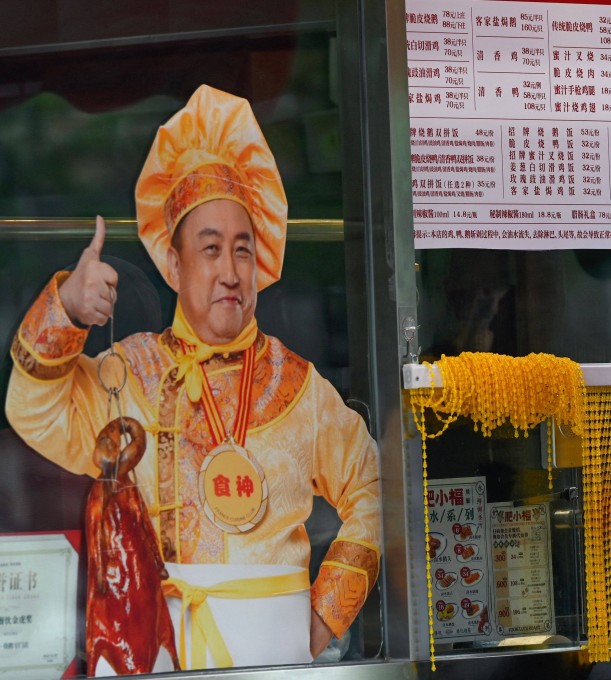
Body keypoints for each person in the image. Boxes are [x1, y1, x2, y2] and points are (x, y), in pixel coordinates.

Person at [5, 84, 380, 672]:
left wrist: (325, 611)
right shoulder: (129, 373)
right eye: (210, 249)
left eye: (241, 249)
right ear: (175, 264)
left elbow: (374, 488)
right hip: (158, 650)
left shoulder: (300, 387)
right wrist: (70, 310)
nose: (230, 271)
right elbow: (33, 411)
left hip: (276, 657)